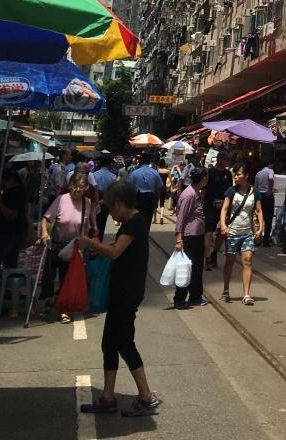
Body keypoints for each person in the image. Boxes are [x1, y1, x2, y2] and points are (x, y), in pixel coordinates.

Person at [77, 179, 161, 418]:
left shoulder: (135, 223)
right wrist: (99, 247)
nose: (112, 214)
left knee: (124, 342)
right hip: (121, 291)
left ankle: (146, 395)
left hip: (127, 292)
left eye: (113, 208)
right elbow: (117, 245)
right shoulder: (131, 223)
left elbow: (115, 252)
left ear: (122, 204)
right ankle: (108, 397)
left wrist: (90, 243)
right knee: (109, 344)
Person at [41, 172, 95, 322]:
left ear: (86, 188)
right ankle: (50, 301)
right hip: (56, 244)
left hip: (73, 246)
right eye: (74, 186)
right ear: (70, 185)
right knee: (49, 276)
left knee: (67, 278)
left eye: (81, 187)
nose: (77, 190)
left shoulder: (87, 203)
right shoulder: (61, 199)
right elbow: (46, 219)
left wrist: (84, 246)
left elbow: (86, 228)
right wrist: (44, 232)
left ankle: (64, 308)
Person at [219, 162, 263, 305]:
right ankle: (226, 289)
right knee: (229, 262)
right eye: (235, 174)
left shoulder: (255, 192)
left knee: (248, 261)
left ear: (246, 175)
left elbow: (259, 210)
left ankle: (246, 294)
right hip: (232, 232)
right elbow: (225, 209)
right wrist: (223, 225)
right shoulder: (231, 191)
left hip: (247, 232)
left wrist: (260, 228)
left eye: (238, 174)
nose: (235, 176)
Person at [173, 168, 208, 309]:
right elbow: (181, 218)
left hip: (197, 236)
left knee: (197, 268)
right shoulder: (189, 195)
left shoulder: (196, 192)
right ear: (203, 179)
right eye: (206, 177)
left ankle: (195, 296)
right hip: (189, 237)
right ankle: (179, 299)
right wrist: (179, 239)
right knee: (186, 268)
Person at [0, 167, 28, 277]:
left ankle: (4, 283)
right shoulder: (13, 191)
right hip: (11, 232)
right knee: (8, 262)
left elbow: (12, 215)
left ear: (11, 180)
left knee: (3, 262)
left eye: (4, 181)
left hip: (10, 233)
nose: (2, 184)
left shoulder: (15, 193)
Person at [128, 152, 163, 231]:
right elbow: (159, 187)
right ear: (149, 161)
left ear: (140, 161)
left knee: (137, 218)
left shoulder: (134, 173)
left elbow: (129, 188)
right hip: (150, 197)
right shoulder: (155, 172)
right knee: (148, 219)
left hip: (138, 198)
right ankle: (145, 234)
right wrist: (156, 200)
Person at [91, 157, 117, 241]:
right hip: (106, 200)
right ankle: (99, 240)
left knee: (93, 220)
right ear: (109, 165)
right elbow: (113, 191)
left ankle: (92, 240)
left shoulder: (94, 174)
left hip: (94, 200)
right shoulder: (113, 176)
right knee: (102, 223)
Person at [254, 159, 276, 247]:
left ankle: (257, 239)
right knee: (268, 219)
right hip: (268, 196)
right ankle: (266, 241)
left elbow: (255, 187)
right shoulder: (270, 171)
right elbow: (270, 178)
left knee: (259, 218)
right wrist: (270, 190)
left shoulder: (258, 173)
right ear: (270, 164)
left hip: (260, 196)